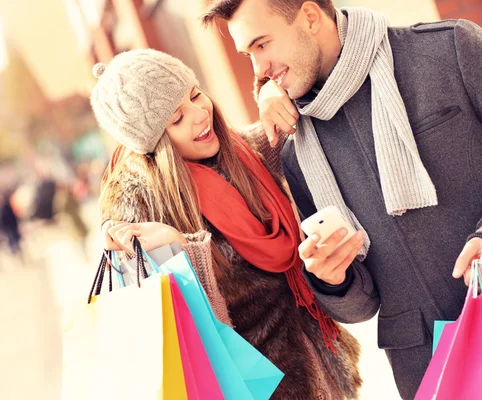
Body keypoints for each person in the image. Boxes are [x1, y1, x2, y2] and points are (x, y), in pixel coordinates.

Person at [201, 1, 482, 397]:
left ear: (309, 16)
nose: (257, 69)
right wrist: (333, 280)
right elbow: (360, 306)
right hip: (431, 367)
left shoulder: (448, 50)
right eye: (247, 54)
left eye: (262, 44)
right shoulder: (296, 150)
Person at [92, 49, 362, 400]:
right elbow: (193, 340)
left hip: (321, 365)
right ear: (153, 144)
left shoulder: (247, 153)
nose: (200, 113)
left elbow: (320, 110)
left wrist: (270, 90)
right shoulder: (140, 210)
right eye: (176, 118)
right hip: (250, 388)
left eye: (195, 95)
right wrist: (181, 251)